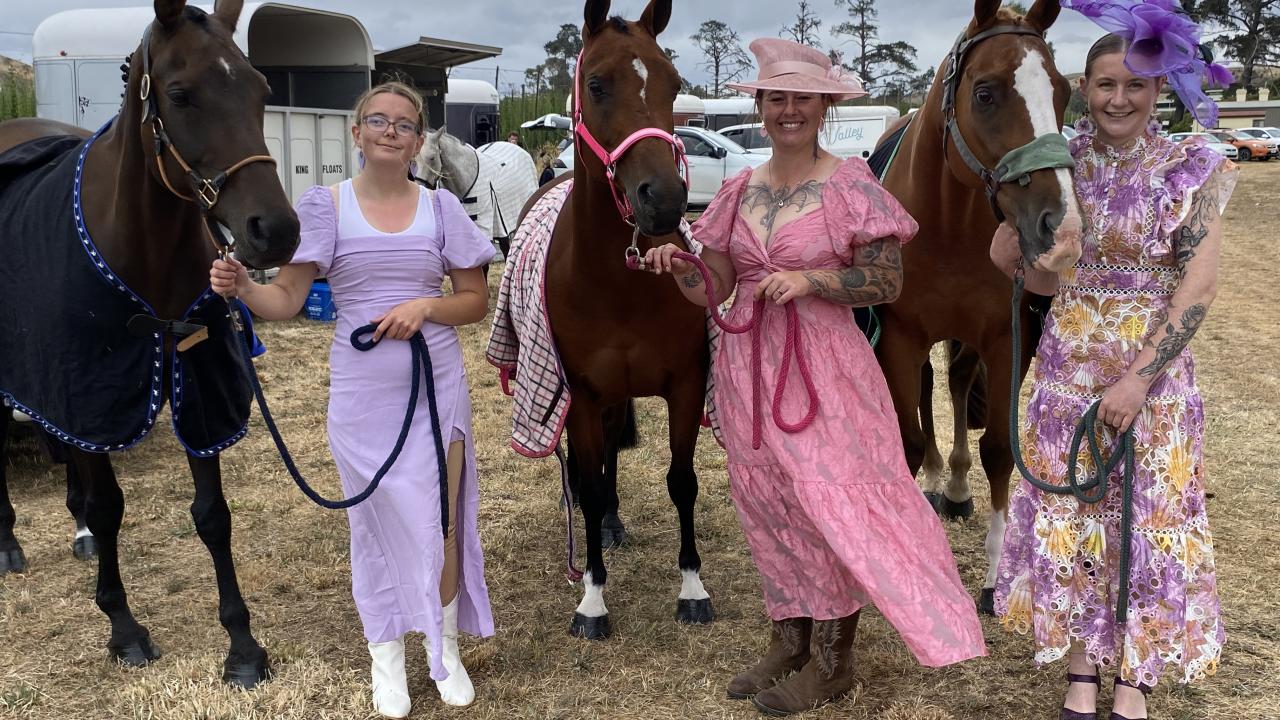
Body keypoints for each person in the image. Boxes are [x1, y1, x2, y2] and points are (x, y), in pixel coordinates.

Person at [643, 38, 986, 716]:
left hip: (825, 370)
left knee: (830, 504)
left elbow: (887, 278)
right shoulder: (740, 188)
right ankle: (790, 637)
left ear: (825, 105)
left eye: (802, 97)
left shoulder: (851, 183)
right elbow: (715, 285)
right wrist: (683, 268)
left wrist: (815, 279)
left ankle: (834, 660)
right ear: (762, 107)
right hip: (749, 368)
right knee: (768, 501)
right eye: (777, 98)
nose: (788, 109)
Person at [209, 81, 496, 717]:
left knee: (440, 521)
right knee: (375, 524)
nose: (390, 132)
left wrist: (426, 306)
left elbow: (475, 302)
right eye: (378, 121)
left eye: (404, 124)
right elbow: (284, 299)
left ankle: (442, 651)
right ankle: (386, 657)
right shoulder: (325, 207)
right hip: (364, 395)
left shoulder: (442, 207)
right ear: (356, 132)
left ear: (419, 140)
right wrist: (242, 290)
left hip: (435, 387)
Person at [991, 13, 1237, 720]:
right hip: (1066, 374)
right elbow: (1039, 282)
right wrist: (1015, 249)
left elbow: (1199, 287)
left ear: (1158, 86)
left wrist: (1138, 379)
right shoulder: (1058, 163)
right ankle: (1082, 670)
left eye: (1134, 84)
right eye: (1105, 84)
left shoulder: (1191, 167)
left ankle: (1134, 676)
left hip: (1148, 380)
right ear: (1084, 90)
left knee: (1145, 521)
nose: (1119, 99)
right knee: (1077, 516)